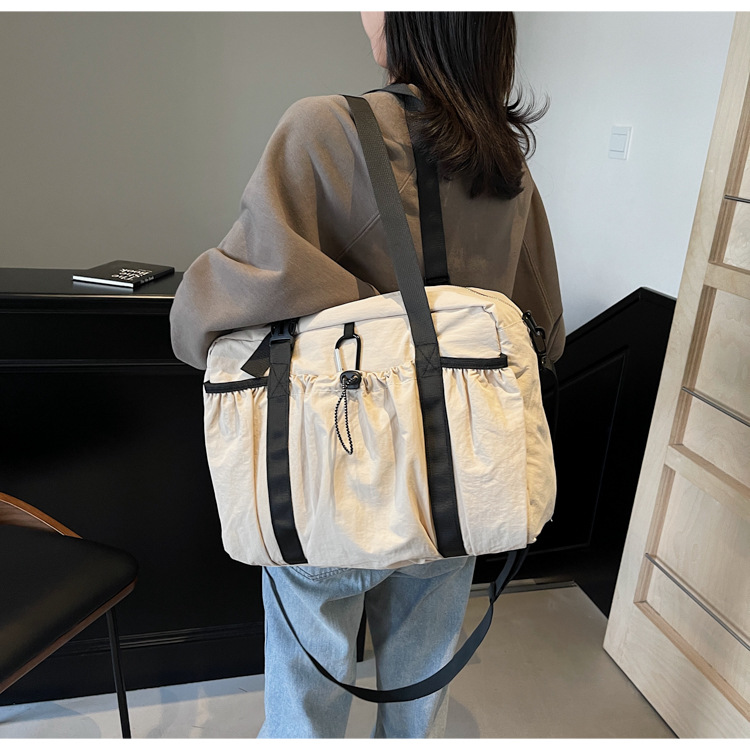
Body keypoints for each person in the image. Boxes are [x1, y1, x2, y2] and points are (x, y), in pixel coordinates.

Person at [170, 11, 565, 739]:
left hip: (330, 473)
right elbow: (543, 324)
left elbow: (239, 292)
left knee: (305, 710)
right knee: (417, 701)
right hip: (452, 483)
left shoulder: (324, 127)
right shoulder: (502, 157)